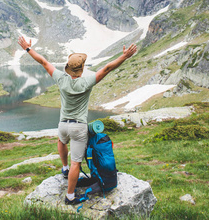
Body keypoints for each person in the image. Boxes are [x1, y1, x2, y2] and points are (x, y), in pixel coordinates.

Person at [18, 36, 137, 205]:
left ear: (68, 68)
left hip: (63, 125)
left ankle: (64, 168)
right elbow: (108, 68)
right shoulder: (87, 82)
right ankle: (70, 196)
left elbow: (43, 62)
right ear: (81, 69)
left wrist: (28, 49)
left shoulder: (61, 78)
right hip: (78, 127)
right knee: (77, 163)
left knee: (61, 140)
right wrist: (124, 56)